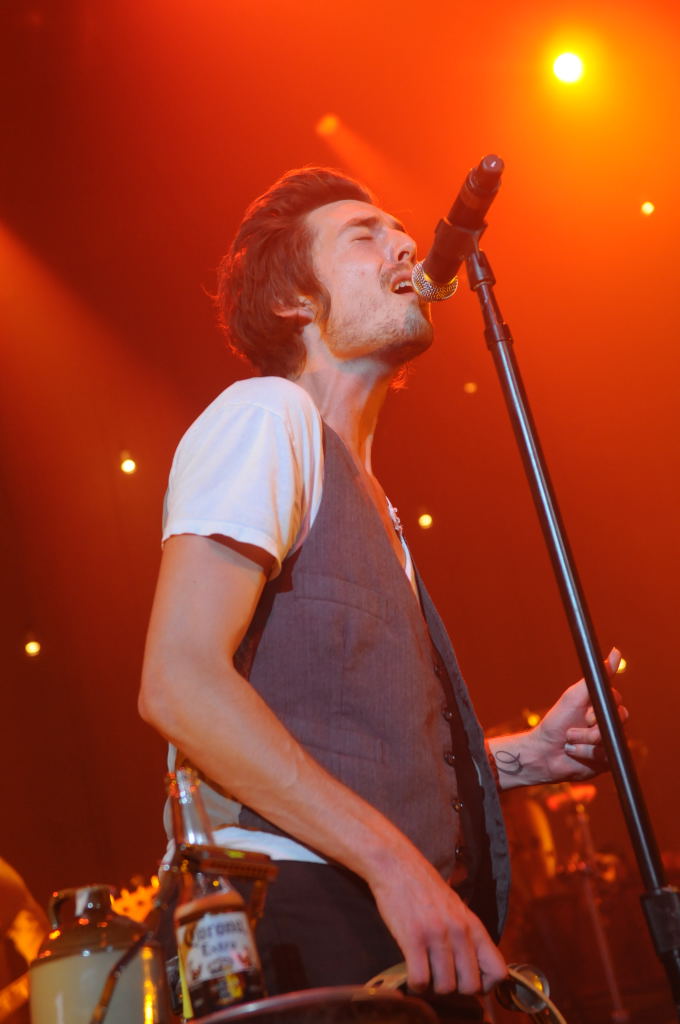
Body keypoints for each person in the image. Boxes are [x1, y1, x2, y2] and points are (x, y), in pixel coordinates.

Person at [139, 167, 626, 1019]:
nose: (404, 245)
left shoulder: (372, 499)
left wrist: (523, 758)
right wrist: (396, 864)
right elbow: (179, 682)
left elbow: (342, 736)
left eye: (400, 231)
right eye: (364, 235)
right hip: (290, 909)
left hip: (381, 915)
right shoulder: (268, 415)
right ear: (292, 299)